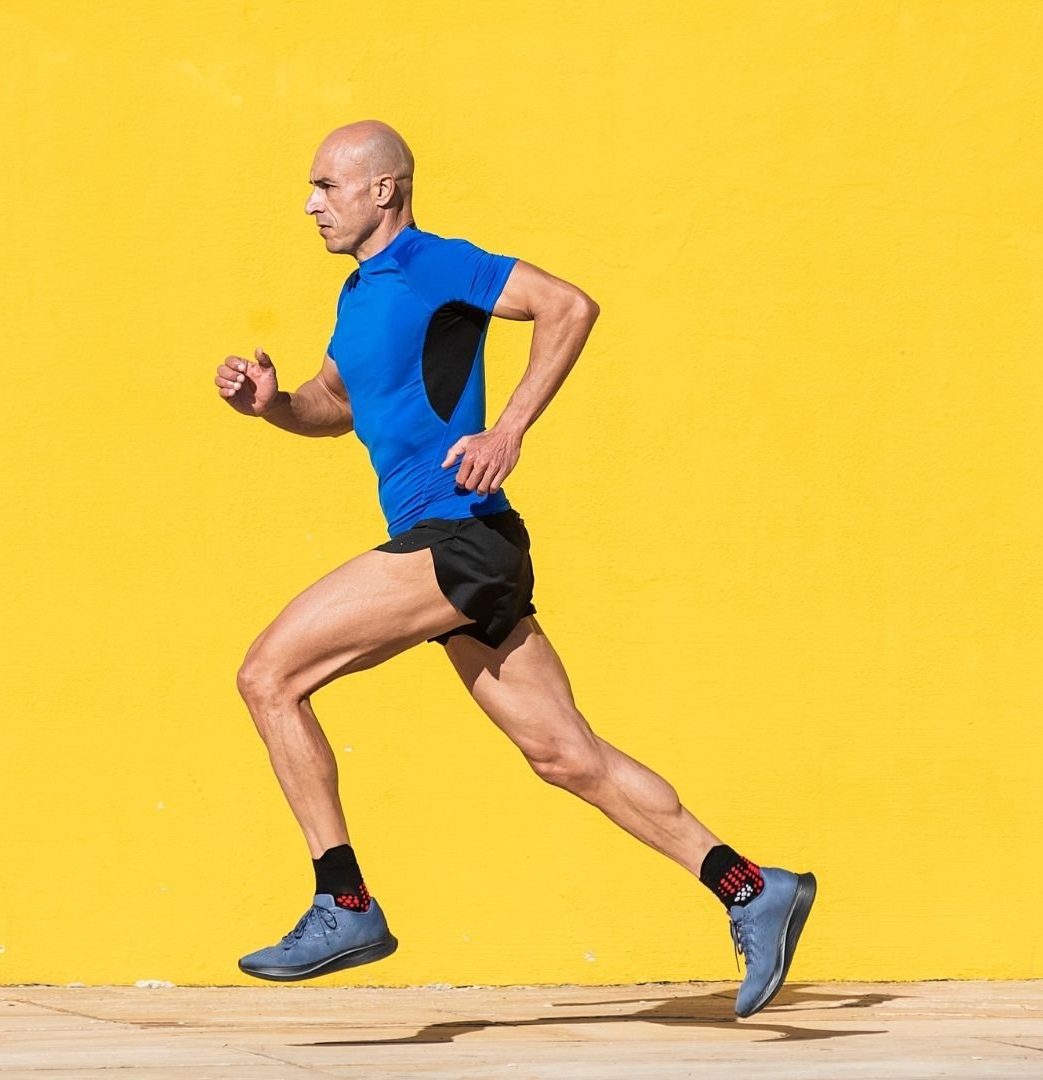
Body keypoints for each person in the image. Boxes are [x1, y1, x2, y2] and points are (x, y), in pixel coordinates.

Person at [212, 120, 814, 1018]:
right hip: (470, 550)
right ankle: (750, 887)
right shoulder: (360, 293)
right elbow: (331, 405)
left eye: (326, 186)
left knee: (268, 675)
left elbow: (569, 306)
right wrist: (273, 407)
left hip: (453, 538)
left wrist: (509, 430)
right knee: (566, 755)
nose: (310, 204)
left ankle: (344, 902)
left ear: (385, 191)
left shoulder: (434, 263)